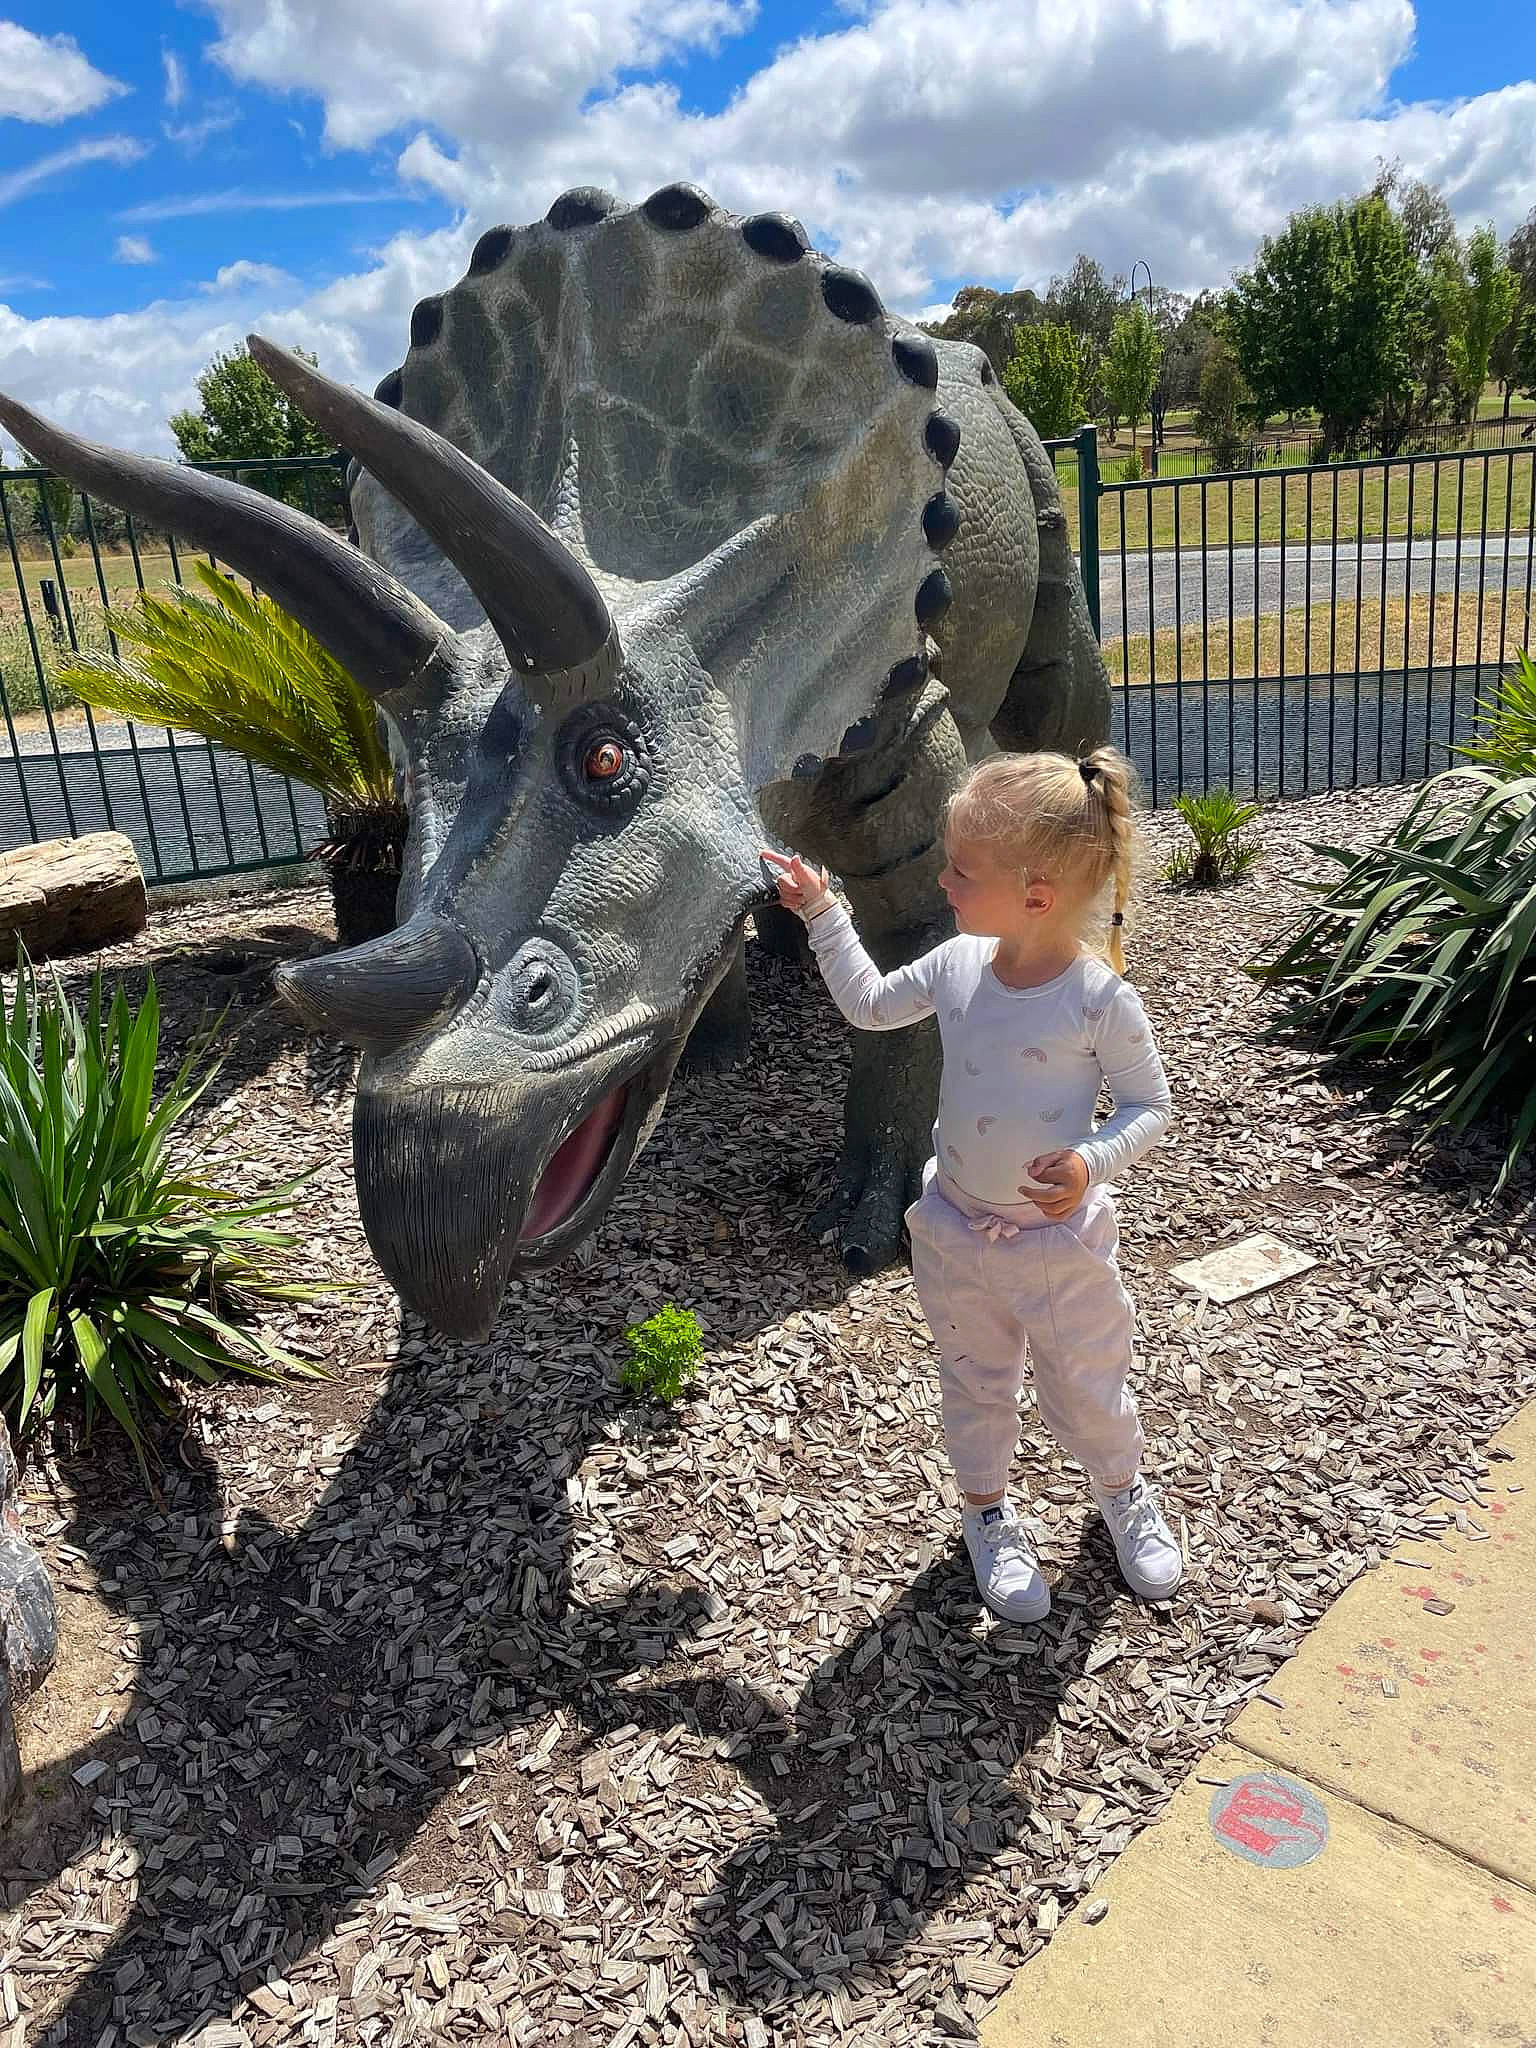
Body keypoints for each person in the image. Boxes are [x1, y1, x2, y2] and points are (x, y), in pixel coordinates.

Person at [763, 746, 1180, 1623]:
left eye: (961, 869)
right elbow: (871, 1004)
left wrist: (1091, 1161)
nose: (944, 882)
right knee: (976, 1386)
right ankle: (988, 1512)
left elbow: (1149, 1106)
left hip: (1060, 1247)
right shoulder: (957, 967)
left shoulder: (1098, 1001)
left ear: (1035, 895)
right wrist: (824, 912)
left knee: (1089, 1385)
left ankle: (1120, 1489)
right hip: (957, 1236)